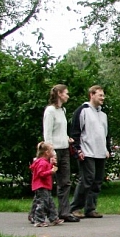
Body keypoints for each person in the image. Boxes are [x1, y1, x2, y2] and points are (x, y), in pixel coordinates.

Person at [69, 85, 110, 219]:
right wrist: (77, 149)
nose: (103, 98)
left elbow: (105, 134)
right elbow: (75, 131)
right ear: (92, 95)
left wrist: (107, 149)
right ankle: (75, 207)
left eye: (103, 95)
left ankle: (90, 208)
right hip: (87, 151)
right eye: (100, 95)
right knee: (87, 179)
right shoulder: (82, 111)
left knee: (97, 180)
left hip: (100, 152)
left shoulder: (103, 115)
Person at [42, 84, 78, 222]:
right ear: (59, 94)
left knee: (65, 182)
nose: (68, 96)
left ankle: (64, 211)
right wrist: (51, 153)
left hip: (64, 148)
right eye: (66, 93)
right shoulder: (50, 111)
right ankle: (38, 211)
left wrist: (66, 138)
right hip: (54, 150)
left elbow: (60, 130)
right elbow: (48, 133)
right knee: (46, 182)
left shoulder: (62, 110)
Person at [30, 142, 63, 227]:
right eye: (52, 150)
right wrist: (51, 172)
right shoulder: (42, 162)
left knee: (50, 203)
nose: (54, 152)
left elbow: (46, 168)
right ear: (47, 152)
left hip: (45, 186)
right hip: (41, 186)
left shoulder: (44, 162)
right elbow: (40, 174)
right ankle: (39, 220)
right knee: (42, 204)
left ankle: (54, 218)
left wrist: (51, 165)